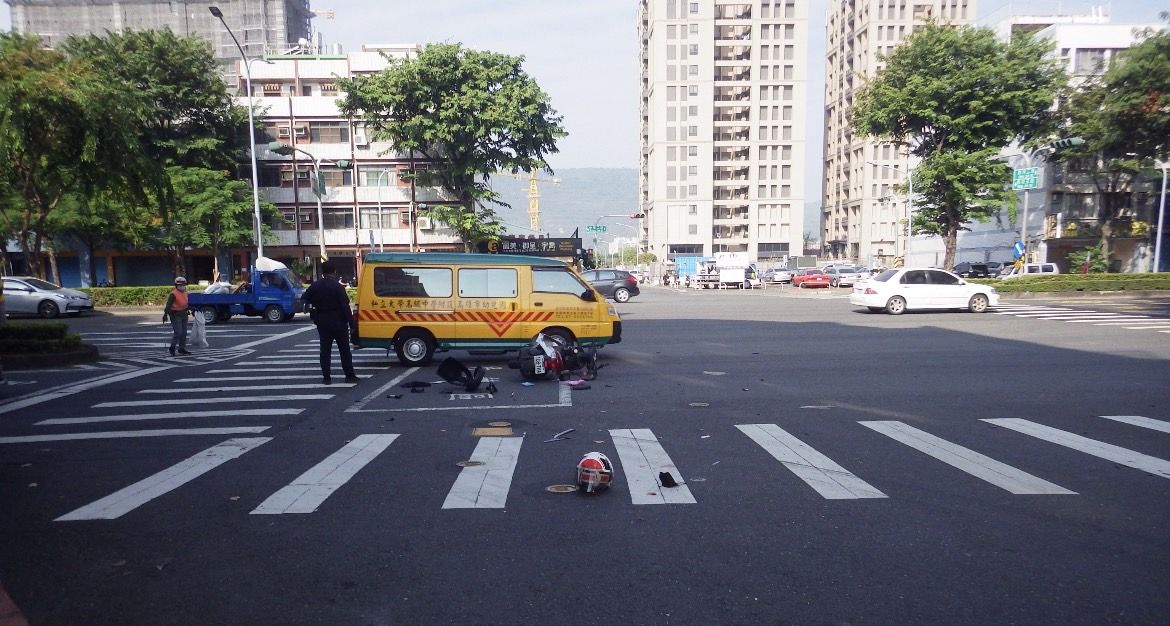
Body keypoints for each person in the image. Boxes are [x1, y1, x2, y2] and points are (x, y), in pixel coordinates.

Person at [301, 261, 358, 385]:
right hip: (338, 321)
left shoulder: (315, 286)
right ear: (334, 271)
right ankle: (349, 375)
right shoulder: (337, 287)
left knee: (325, 350)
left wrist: (311, 308)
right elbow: (345, 306)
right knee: (344, 350)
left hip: (322, 321)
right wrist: (352, 324)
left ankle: (326, 377)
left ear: (322, 271)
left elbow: (304, 298)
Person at [162, 276, 191, 356]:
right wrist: (165, 314)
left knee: (184, 333)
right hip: (175, 315)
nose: (182, 286)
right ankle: (172, 348)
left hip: (184, 314)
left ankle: (181, 349)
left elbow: (185, 303)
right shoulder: (173, 294)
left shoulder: (185, 293)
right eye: (180, 285)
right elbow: (168, 306)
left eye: (183, 285)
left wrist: (192, 308)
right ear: (176, 286)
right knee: (178, 332)